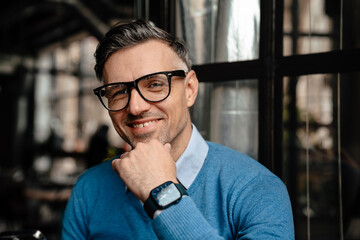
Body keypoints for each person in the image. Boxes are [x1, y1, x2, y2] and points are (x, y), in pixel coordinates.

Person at [62, 19, 294, 239]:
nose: (135, 107)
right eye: (118, 91)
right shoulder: (89, 190)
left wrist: (161, 192)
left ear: (190, 89)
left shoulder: (257, 189)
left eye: (154, 84)